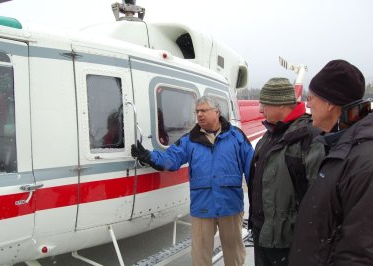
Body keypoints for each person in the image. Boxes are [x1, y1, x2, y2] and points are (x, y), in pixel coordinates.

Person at [131, 95, 254, 266]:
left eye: (204, 110)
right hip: (202, 206)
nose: (199, 115)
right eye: (197, 111)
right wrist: (149, 156)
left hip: (230, 206)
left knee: (234, 255)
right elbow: (171, 159)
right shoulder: (190, 140)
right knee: (200, 257)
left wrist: (256, 205)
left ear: (216, 112)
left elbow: (252, 170)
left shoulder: (236, 137)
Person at [289, 60, 373, 265]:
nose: (308, 105)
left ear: (329, 103)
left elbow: (359, 252)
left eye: (311, 98)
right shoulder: (340, 144)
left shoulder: (364, 161)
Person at [248, 77, 325, 266]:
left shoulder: (311, 138)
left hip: (290, 243)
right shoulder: (268, 136)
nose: (259, 109)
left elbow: (321, 199)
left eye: (264, 104)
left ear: (280, 105)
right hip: (263, 235)